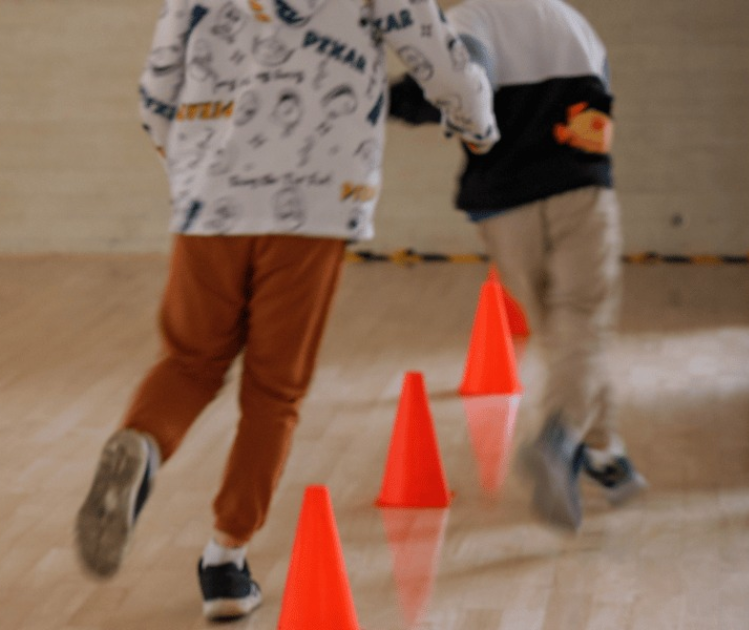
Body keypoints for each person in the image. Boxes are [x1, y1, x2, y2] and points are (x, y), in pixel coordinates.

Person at [74, 0, 499, 621]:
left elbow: (160, 76)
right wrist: (479, 122)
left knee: (191, 360)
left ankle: (143, 441)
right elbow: (434, 52)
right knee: (274, 388)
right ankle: (225, 560)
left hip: (209, 193)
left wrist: (188, 165)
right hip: (314, 199)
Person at [388, 0, 647, 531]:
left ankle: (604, 455)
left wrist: (379, 95)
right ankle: (565, 441)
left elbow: (456, 90)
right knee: (582, 323)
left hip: (506, 204)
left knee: (563, 330)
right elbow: (602, 117)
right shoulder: (576, 26)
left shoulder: (469, 22)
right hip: (582, 191)